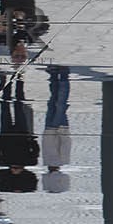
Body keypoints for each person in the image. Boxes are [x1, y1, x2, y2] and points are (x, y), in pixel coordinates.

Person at [0, 74, 39, 193]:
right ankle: (18, 81)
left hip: (7, 134)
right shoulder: (29, 162)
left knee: (6, 106)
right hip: (21, 134)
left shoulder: (3, 163)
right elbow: (35, 150)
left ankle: (6, 83)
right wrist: (31, 140)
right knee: (17, 106)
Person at [43, 66, 71, 194]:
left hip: (50, 129)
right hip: (57, 129)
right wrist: (61, 130)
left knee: (54, 102)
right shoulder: (61, 160)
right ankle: (63, 77)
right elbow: (66, 143)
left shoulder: (50, 161)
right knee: (60, 103)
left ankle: (54, 77)